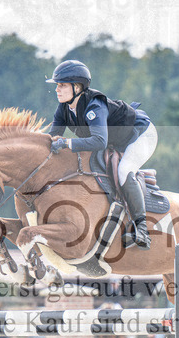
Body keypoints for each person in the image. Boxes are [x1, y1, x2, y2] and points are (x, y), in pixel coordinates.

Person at [45, 59, 158, 249]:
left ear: (77, 87)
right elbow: (51, 137)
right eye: (57, 85)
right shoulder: (64, 107)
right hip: (117, 139)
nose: (57, 89)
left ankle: (142, 229)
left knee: (124, 170)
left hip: (140, 134)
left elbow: (99, 141)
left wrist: (67, 143)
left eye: (62, 85)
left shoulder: (94, 106)